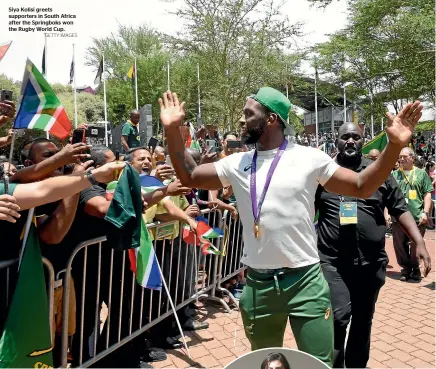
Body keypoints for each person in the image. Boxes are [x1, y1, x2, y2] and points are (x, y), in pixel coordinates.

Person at [159, 87, 422, 366]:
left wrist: (394, 146)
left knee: (317, 363)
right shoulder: (238, 163)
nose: (242, 120)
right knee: (265, 363)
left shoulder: (310, 159)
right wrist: (173, 129)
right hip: (259, 284)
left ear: (271, 119)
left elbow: (361, 185)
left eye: (249, 114)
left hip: (306, 281)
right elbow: (190, 175)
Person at [315, 123, 431, 368]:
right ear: (336, 140)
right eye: (345, 136)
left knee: (363, 319)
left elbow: (399, 208)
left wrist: (419, 241)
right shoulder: (323, 172)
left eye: (355, 137)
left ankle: (357, 365)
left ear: (362, 141)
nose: (350, 141)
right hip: (333, 262)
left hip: (370, 263)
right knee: (337, 317)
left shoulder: (379, 172)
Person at [391, 147, 433, 281]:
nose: (401, 159)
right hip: (398, 217)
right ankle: (405, 269)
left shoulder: (421, 174)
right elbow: (388, 196)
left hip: (417, 217)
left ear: (412, 158)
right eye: (400, 156)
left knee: (416, 244)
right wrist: (387, 213)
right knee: (399, 245)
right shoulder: (394, 175)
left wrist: (425, 212)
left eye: (404, 156)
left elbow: (427, 193)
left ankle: (415, 269)